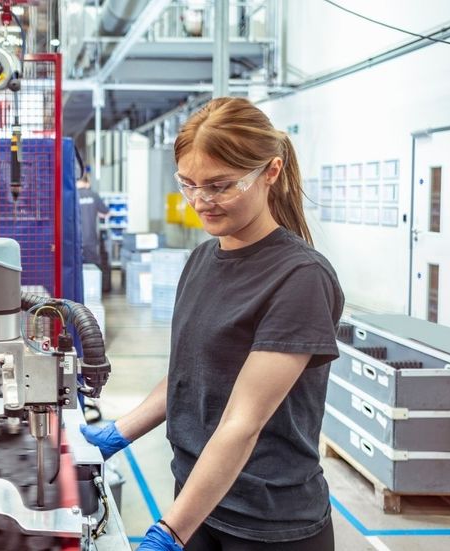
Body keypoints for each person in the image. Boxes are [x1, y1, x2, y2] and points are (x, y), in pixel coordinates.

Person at [81, 97, 344, 551]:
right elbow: (191, 373)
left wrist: (170, 533)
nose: (201, 202)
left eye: (220, 186)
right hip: (198, 499)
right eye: (188, 185)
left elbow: (243, 422)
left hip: (268, 523)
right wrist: (118, 433)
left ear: (271, 172)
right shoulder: (203, 257)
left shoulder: (300, 278)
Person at [77, 169, 110, 287]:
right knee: (92, 269)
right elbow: (106, 213)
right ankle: (92, 290)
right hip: (91, 239)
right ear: (87, 182)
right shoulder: (93, 195)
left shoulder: (73, 196)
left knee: (77, 268)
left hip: (76, 240)